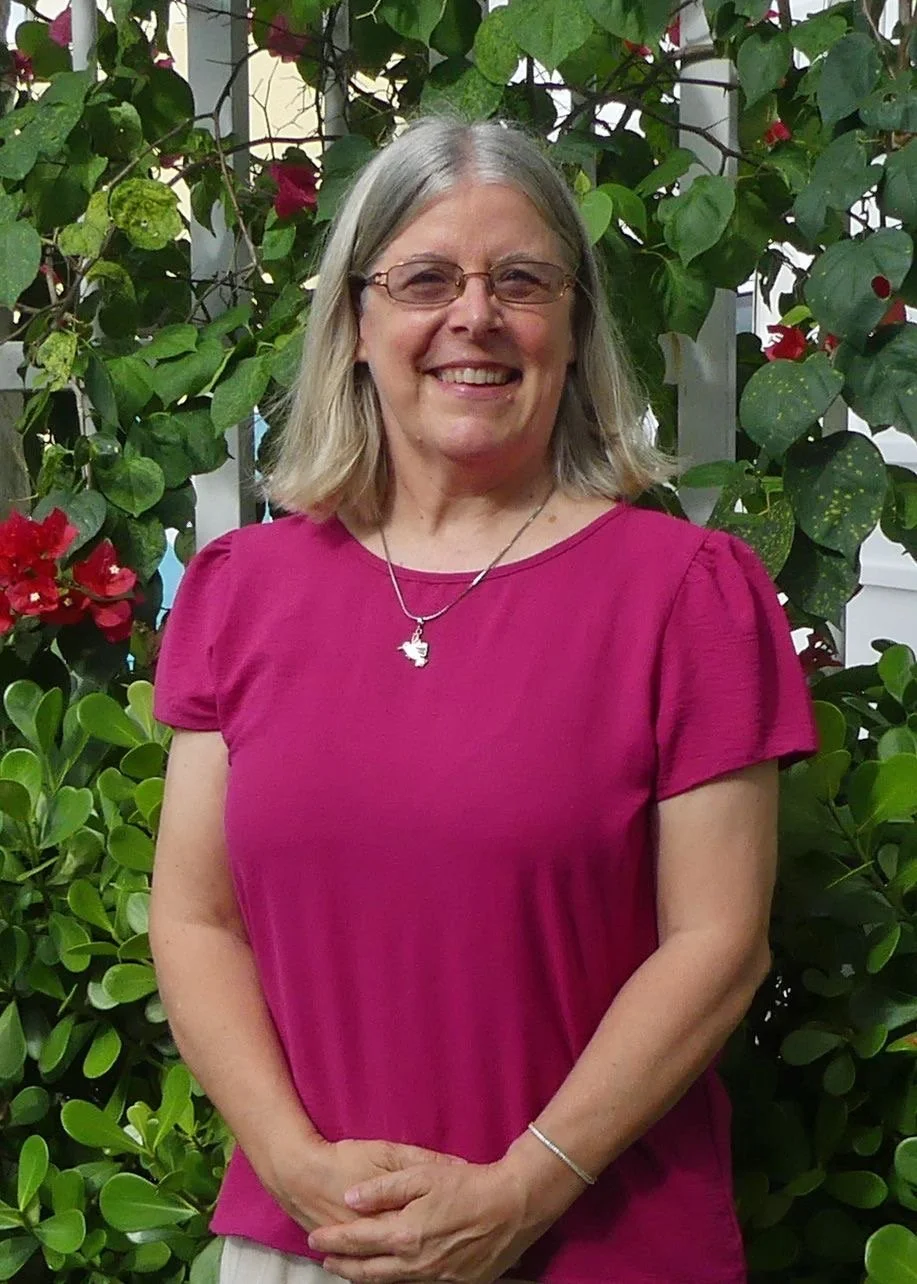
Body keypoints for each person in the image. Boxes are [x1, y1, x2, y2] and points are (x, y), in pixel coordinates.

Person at [150, 115, 818, 1284]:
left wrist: (520, 1189)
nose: (474, 317)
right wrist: (294, 1164)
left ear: (572, 326)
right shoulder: (240, 593)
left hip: (599, 1248)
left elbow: (715, 945)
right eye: (423, 280)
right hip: (310, 1246)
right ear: (356, 324)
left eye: (522, 280)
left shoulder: (681, 596)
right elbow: (194, 920)